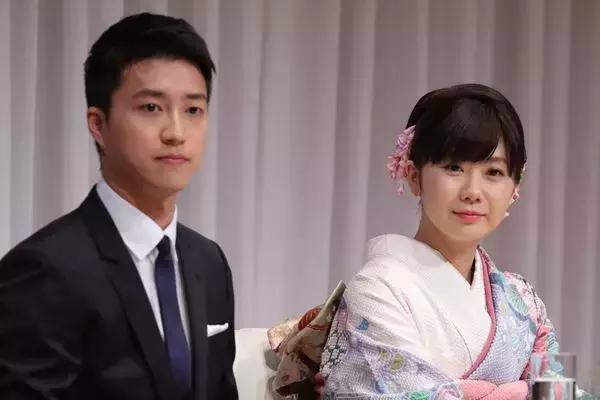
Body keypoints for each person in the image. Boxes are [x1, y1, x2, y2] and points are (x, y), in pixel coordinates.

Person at [0, 13, 237, 400]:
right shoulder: (46, 269)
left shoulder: (209, 263)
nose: (176, 133)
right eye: (151, 108)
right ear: (98, 124)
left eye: (193, 110)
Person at [315, 84, 596, 399]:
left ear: (515, 186)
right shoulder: (378, 290)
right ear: (414, 176)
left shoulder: (523, 300)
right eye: (454, 168)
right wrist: (523, 392)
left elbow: (563, 394)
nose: (473, 192)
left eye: (493, 172)